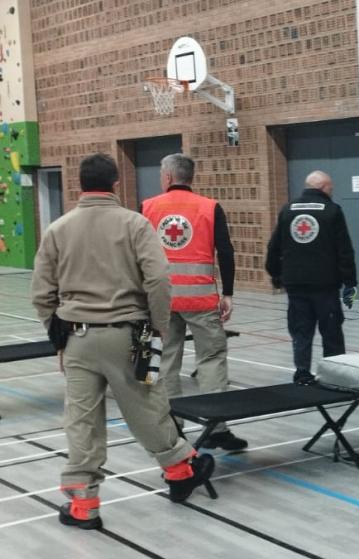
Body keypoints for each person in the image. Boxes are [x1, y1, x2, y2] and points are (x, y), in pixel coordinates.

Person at [31, 153, 214, 530]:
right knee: (149, 405)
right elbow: (159, 280)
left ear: (79, 186)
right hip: (136, 334)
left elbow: (41, 293)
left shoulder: (58, 229)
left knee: (81, 420)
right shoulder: (135, 224)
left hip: (78, 337)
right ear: (116, 184)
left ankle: (84, 505)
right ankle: (180, 470)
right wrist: (159, 327)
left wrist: (60, 340)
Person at [140, 153, 246, 450]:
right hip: (200, 299)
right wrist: (229, 293)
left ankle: (173, 426)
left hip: (160, 301)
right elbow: (226, 251)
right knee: (211, 359)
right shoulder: (210, 208)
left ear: (169, 177)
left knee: (164, 361)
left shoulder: (147, 207)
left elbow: (136, 254)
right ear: (191, 177)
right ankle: (216, 428)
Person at [265, 171, 357, 385]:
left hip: (295, 284)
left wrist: (276, 275)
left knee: (301, 331)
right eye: (331, 189)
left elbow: (273, 247)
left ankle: (302, 373)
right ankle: (335, 375)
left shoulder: (287, 210)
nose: (331, 192)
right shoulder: (332, 211)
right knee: (331, 331)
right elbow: (344, 250)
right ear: (324, 187)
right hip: (325, 285)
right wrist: (350, 283)